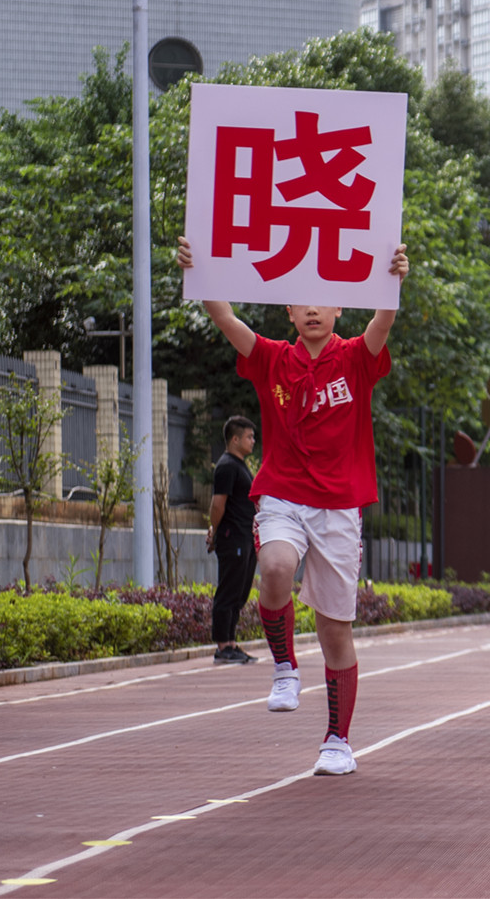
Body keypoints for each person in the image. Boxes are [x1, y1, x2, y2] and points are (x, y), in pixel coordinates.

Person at [176, 234, 410, 777]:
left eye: (322, 299)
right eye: (300, 300)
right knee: (276, 568)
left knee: (335, 630)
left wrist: (393, 279)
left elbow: (383, 325)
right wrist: (200, 273)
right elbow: (226, 320)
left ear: (337, 308)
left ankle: (337, 738)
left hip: (339, 506)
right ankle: (284, 666)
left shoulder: (354, 358)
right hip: (282, 493)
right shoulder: (271, 359)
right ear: (288, 310)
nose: (311, 308)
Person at [207, 416, 259, 665]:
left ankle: (231, 642)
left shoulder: (239, 465)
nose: (253, 441)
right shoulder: (227, 466)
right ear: (235, 439)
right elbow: (218, 504)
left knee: (240, 591)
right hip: (233, 537)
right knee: (228, 590)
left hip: (246, 537)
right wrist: (213, 530)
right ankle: (223, 646)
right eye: (249, 436)